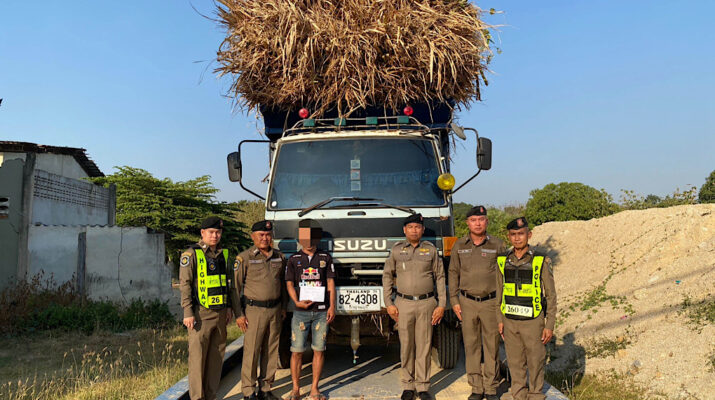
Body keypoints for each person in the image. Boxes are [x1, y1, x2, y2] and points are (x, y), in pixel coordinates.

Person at [382, 213, 446, 400]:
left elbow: (440, 277)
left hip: (427, 303)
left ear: (422, 229)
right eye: (410, 227)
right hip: (404, 304)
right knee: (407, 346)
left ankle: (423, 386)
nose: (414, 230)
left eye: (417, 227)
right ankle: (408, 386)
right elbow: (387, 276)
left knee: (424, 346)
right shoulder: (397, 250)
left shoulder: (430, 250)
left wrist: (441, 304)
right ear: (405, 230)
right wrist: (388, 303)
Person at [496, 217, 558, 400]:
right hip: (510, 320)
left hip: (533, 320)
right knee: (515, 362)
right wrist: (500, 320)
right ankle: (518, 394)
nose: (517, 238)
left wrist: (549, 325)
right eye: (513, 234)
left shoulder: (540, 260)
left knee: (536, 360)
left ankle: (535, 393)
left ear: (529, 235)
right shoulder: (502, 260)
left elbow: (551, 295)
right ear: (509, 236)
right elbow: (499, 293)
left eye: (521, 234)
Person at [449, 206, 506, 400]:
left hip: (491, 302)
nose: (478, 224)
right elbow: (453, 273)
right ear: (468, 223)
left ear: (487, 222)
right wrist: (454, 300)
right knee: (471, 345)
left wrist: (502, 303)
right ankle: (476, 387)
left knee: (491, 346)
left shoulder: (497, 245)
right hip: (467, 303)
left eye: (481, 220)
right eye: (473, 220)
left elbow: (504, 275)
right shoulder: (459, 245)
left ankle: (490, 388)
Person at [179, 216, 234, 400]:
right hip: (200, 314)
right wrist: (188, 312)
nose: (215, 236)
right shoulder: (191, 254)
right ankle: (197, 397)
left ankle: (211, 395)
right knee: (198, 359)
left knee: (216, 358)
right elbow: (185, 285)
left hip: (220, 313)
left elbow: (227, 284)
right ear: (202, 233)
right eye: (211, 232)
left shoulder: (223, 254)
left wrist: (229, 307)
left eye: (218, 232)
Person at [233, 220, 286, 400]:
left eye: (268, 235)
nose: (265, 238)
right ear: (253, 236)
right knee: (252, 352)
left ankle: (266, 388)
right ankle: (248, 391)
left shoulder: (279, 257)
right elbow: (235, 289)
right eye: (261, 235)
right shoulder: (244, 258)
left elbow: (283, 284)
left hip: (275, 310)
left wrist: (283, 307)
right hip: (254, 311)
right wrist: (239, 314)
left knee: (271, 350)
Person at [284, 219, 336, 400]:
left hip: (321, 312)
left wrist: (332, 306)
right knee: (296, 351)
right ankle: (295, 389)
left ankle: (315, 389)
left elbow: (330, 283)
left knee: (319, 350)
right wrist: (296, 302)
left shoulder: (325, 258)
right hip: (300, 313)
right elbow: (289, 284)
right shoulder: (293, 259)